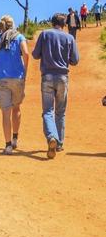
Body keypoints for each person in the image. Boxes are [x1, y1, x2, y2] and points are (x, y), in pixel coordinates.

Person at [41, 14, 83, 154]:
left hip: (47, 76)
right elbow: (75, 60)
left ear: (52, 22)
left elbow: (35, 54)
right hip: (63, 78)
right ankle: (59, 143)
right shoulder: (70, 38)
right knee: (60, 112)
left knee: (48, 111)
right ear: (64, 24)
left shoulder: (44, 34)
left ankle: (51, 137)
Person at [0, 15, 30, 153]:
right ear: (12, 24)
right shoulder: (19, 37)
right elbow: (26, 53)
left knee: (5, 112)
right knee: (16, 108)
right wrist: (25, 71)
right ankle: (15, 139)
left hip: (1, 79)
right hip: (17, 78)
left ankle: (8, 146)